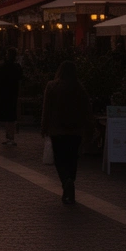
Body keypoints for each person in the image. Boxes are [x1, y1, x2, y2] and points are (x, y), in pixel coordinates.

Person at [41, 60, 92, 204]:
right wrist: (89, 128)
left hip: (57, 130)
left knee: (60, 158)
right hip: (75, 130)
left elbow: (46, 108)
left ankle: (66, 181)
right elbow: (87, 110)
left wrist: (44, 126)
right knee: (72, 158)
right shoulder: (79, 88)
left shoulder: (52, 86)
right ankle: (70, 180)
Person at [0, 48, 24, 145]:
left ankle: (10, 137)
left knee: (8, 117)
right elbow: (20, 80)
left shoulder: (4, 67)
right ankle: (9, 136)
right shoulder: (16, 67)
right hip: (12, 93)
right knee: (10, 116)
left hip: (5, 93)